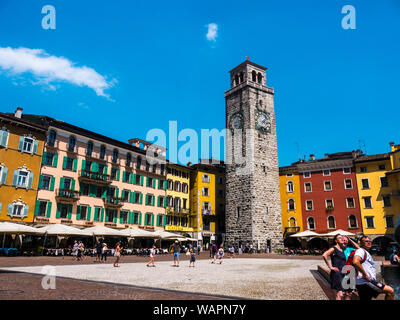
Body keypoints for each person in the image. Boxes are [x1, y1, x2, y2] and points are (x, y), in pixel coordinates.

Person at [353, 236, 394, 300]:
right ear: (361, 243)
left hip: (364, 282)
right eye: (366, 241)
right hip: (366, 282)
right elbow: (355, 262)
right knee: (390, 291)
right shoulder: (361, 251)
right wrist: (365, 274)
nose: (369, 243)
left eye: (370, 241)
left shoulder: (364, 251)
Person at [322, 234, 350, 300]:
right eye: (340, 238)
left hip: (344, 273)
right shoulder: (334, 248)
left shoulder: (343, 249)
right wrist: (330, 267)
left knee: (345, 293)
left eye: (342, 238)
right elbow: (324, 255)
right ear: (336, 240)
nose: (342, 239)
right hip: (337, 273)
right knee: (340, 294)